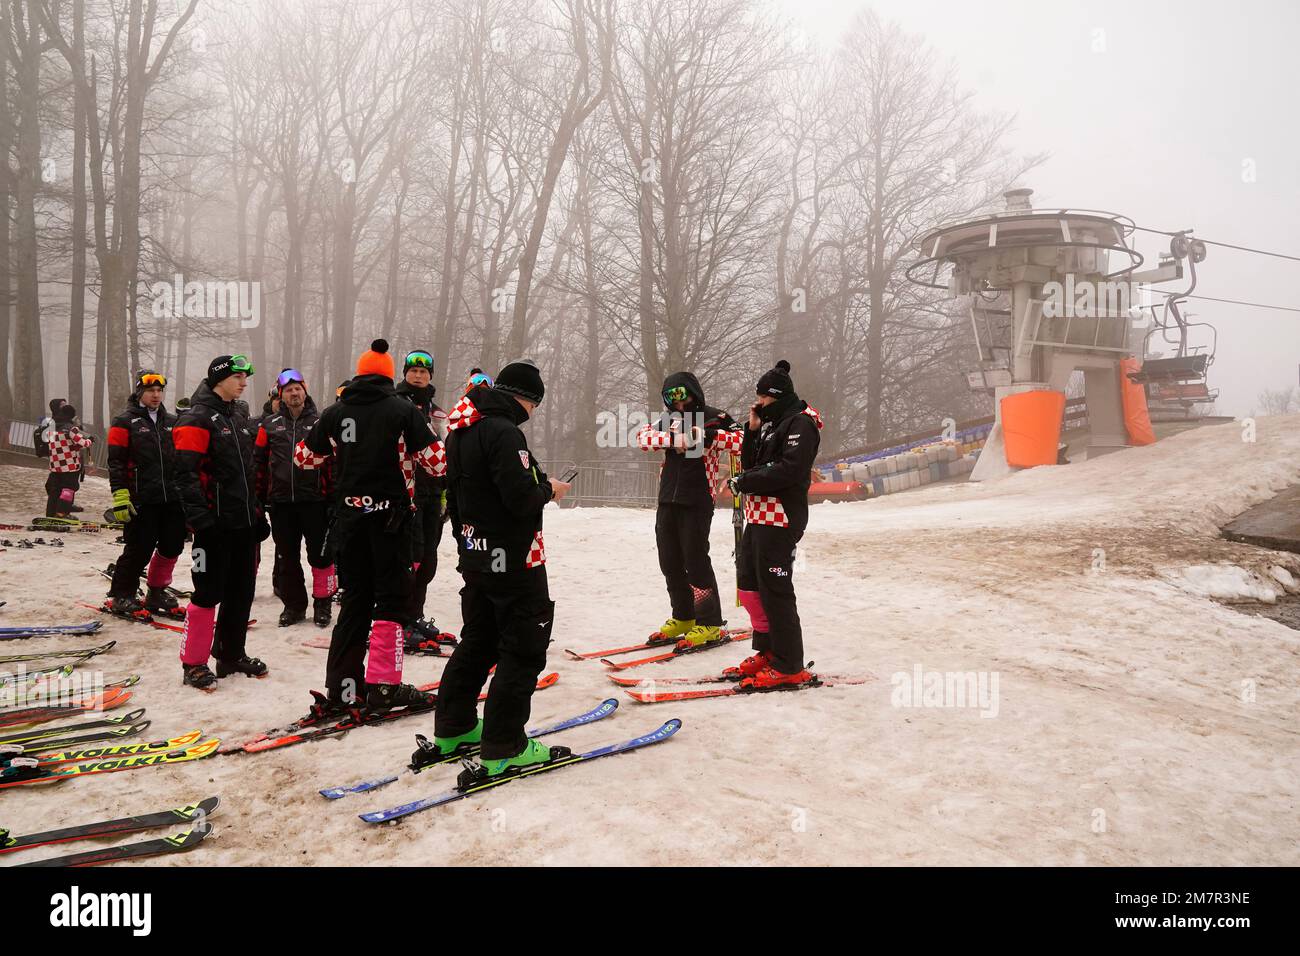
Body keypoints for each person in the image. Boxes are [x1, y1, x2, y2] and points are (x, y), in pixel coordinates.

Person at [431, 359, 571, 778]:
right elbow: (520, 498)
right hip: (515, 558)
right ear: (526, 400)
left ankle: (455, 727)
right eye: (534, 407)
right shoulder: (505, 432)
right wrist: (549, 488)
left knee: (478, 641)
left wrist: (467, 544)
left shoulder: (461, 429)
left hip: (476, 555)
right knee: (523, 648)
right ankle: (505, 744)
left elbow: (452, 496)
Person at [295, 339, 445, 714]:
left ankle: (343, 687)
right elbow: (438, 463)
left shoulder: (335, 410)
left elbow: (304, 459)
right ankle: (384, 686)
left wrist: (343, 455)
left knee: (356, 600)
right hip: (391, 520)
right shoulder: (403, 410)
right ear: (389, 375)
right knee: (392, 601)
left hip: (349, 520)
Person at [173, 354, 271, 690]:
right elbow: (184, 475)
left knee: (241, 592)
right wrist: (200, 521)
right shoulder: (196, 418)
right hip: (212, 526)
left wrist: (257, 514)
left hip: (242, 524)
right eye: (238, 377)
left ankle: (230, 654)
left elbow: (248, 474)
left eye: (245, 377)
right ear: (219, 379)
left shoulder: (239, 417)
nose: (244, 383)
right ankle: (194, 663)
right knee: (207, 592)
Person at [726, 360, 823, 688]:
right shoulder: (771, 422)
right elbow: (752, 463)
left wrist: (746, 481)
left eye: (762, 400)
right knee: (750, 587)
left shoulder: (800, 424)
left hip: (781, 517)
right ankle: (768, 651)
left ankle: (789, 663)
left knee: (775, 590)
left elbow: (789, 470)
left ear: (777, 397)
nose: (758, 406)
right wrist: (752, 432)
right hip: (758, 516)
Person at [636, 372, 741, 648]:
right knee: (669, 560)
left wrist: (706, 437)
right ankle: (684, 615)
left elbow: (742, 440)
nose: (679, 404)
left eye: (684, 397)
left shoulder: (715, 416)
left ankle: (710, 623)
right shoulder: (667, 420)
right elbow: (642, 437)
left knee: (694, 560)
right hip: (668, 498)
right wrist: (673, 440)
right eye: (672, 399)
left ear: (694, 392)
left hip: (697, 499)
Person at [255, 369, 335, 628]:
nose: (294, 393)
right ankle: (293, 606)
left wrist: (333, 498)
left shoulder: (323, 421)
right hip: (281, 503)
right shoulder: (268, 425)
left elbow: (336, 463)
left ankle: (323, 604)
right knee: (286, 557)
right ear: (281, 395)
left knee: (321, 557)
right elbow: (257, 463)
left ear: (305, 390)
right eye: (288, 390)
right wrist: (259, 499)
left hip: (316, 501)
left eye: (298, 388)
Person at [104, 370, 186, 615]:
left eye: (160, 390)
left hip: (171, 496)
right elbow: (115, 462)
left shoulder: (172, 422)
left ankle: (157, 591)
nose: (156, 395)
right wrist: (120, 494)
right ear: (140, 392)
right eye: (151, 390)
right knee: (139, 548)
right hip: (141, 498)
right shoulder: (124, 422)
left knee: (173, 546)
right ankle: (122, 594)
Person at [394, 349, 449, 641]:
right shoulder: (394, 404)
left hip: (433, 493)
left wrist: (447, 493)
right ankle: (398, 620)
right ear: (405, 373)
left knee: (428, 558)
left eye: (424, 372)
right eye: (413, 371)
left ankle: (415, 615)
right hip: (405, 495)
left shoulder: (437, 411)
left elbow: (446, 449)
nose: (418, 376)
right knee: (409, 558)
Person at [44, 404, 94, 517]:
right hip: (70, 465)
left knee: (55, 490)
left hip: (55, 465)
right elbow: (83, 443)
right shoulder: (71, 428)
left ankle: (50, 514)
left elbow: (60, 444)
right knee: (69, 489)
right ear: (71, 415)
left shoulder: (51, 428)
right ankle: (62, 513)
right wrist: (90, 440)